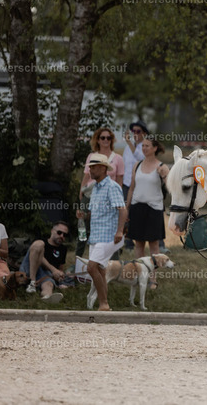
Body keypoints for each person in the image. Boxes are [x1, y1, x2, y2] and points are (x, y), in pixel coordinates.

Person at [76, 153, 127, 311]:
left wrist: (119, 231)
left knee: (91, 267)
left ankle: (104, 303)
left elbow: (122, 209)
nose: (90, 170)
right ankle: (104, 305)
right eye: (90, 167)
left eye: (93, 167)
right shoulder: (95, 188)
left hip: (109, 236)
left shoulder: (112, 187)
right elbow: (95, 213)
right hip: (96, 236)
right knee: (100, 270)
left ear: (103, 168)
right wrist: (84, 215)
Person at [126, 138, 169, 289]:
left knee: (154, 245)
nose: (144, 148)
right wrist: (127, 208)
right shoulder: (137, 165)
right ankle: (140, 276)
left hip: (154, 209)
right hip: (137, 207)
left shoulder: (162, 166)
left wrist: (164, 176)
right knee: (138, 244)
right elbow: (131, 188)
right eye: (143, 146)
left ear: (155, 148)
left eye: (147, 146)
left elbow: (170, 187)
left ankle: (153, 279)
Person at [77, 127, 125, 258]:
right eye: (102, 137)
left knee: (109, 223)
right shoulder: (91, 156)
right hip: (90, 192)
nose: (105, 140)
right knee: (83, 226)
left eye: (108, 138)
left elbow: (119, 180)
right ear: (97, 140)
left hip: (108, 193)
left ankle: (113, 256)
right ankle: (79, 257)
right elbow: (86, 175)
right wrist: (81, 191)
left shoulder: (118, 158)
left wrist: (119, 198)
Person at [22, 221, 69, 303]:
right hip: (30, 268)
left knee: (49, 284)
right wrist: (53, 270)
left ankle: (47, 297)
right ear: (52, 231)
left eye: (64, 235)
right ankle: (32, 283)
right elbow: (38, 258)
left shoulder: (63, 249)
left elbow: (60, 269)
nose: (61, 236)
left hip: (45, 275)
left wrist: (59, 276)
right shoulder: (41, 241)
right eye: (59, 232)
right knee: (39, 244)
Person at [123, 121, 148, 250]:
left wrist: (128, 142)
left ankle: (141, 239)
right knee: (125, 212)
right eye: (133, 131)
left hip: (139, 186)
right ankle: (128, 242)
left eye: (138, 131)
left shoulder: (146, 147)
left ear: (144, 133)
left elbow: (140, 158)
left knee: (138, 213)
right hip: (126, 184)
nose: (135, 134)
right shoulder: (127, 148)